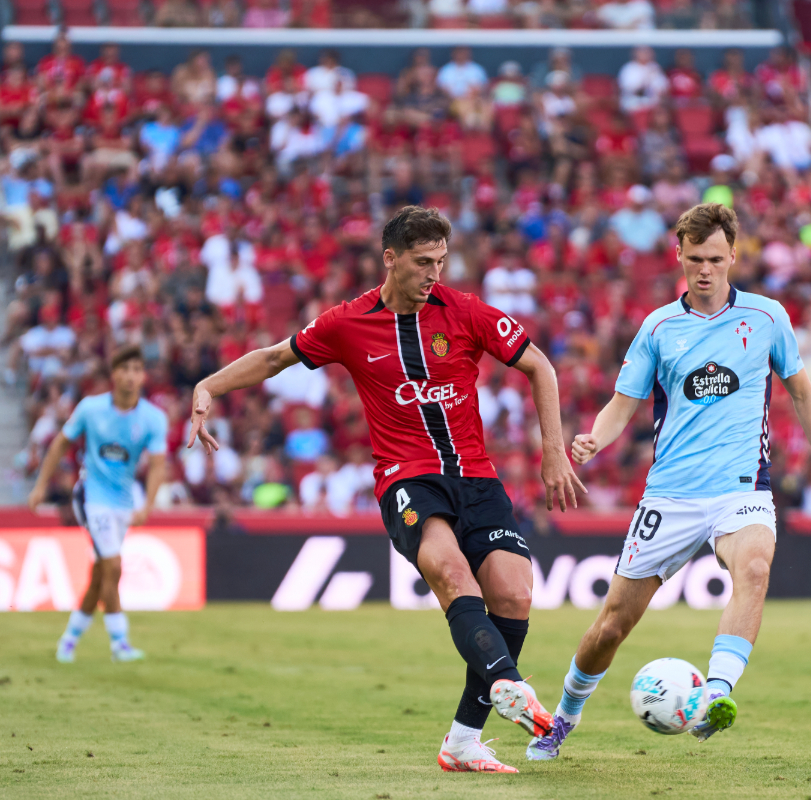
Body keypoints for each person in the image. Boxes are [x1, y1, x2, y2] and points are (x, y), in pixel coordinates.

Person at [186, 206, 585, 773]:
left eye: (441, 262)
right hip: (407, 477)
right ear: (391, 259)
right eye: (423, 263)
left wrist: (552, 450)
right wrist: (209, 385)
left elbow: (540, 367)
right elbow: (276, 357)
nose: (434, 275)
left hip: (475, 477)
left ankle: (463, 742)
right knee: (451, 572)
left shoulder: (465, 311)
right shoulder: (347, 323)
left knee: (515, 595)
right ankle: (509, 683)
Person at [525, 203, 811, 760]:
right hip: (671, 496)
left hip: (742, 489)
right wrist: (592, 441)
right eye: (695, 258)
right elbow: (622, 404)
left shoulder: (767, 317)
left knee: (753, 567)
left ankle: (716, 696)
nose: (706, 269)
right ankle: (563, 717)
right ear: (679, 254)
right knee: (611, 626)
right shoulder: (658, 327)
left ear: (734, 257)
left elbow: (803, 393)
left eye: (717, 259)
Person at [28, 346, 168, 664]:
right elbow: (60, 444)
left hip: (123, 502)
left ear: (143, 376)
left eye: (137, 369)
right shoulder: (90, 409)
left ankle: (69, 639)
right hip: (90, 497)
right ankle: (120, 642)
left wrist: (146, 505)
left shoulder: (153, 418)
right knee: (114, 566)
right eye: (125, 369)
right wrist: (40, 486)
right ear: (114, 374)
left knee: (101, 573)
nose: (131, 376)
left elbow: (159, 465)